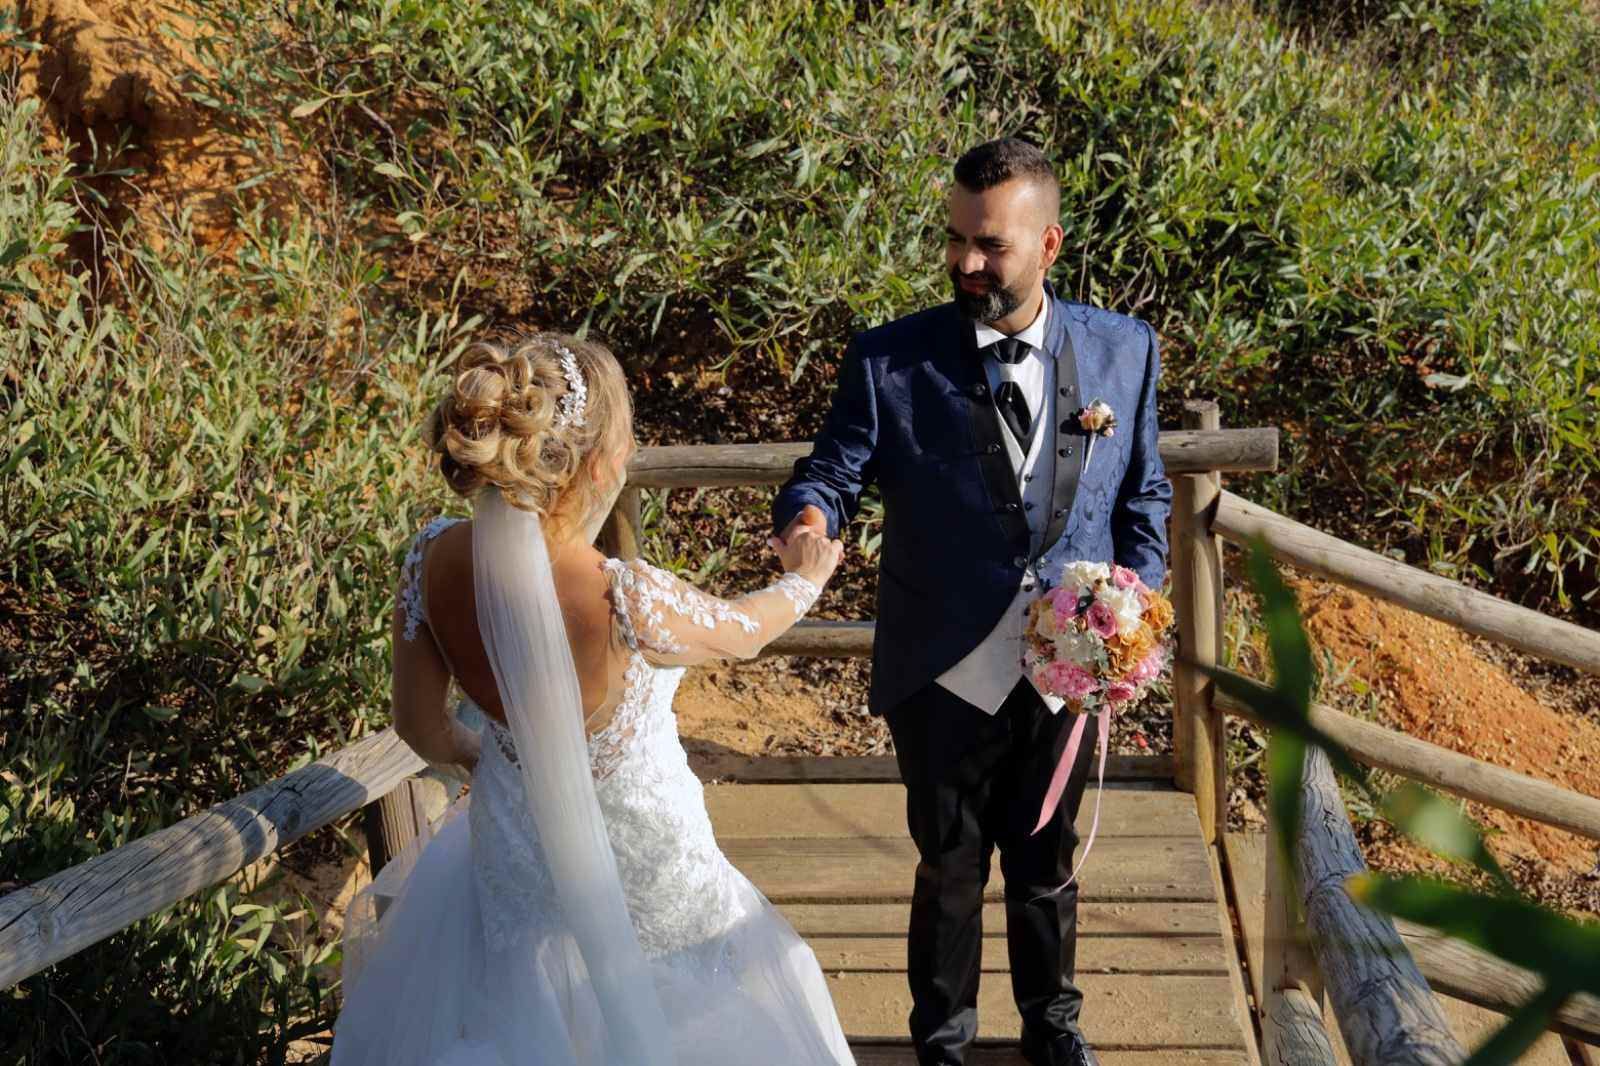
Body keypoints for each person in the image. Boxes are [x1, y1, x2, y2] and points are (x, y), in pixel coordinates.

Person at [332, 332, 854, 1065]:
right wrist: (806, 577)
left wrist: (480, 754)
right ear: (601, 462)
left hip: (517, 855)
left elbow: (418, 725)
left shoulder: (433, 557)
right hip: (651, 872)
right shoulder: (625, 595)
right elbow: (744, 631)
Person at [773, 137, 1172, 1066]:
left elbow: (1143, 494)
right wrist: (808, 516)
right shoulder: (889, 360)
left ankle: (1053, 1029)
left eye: (990, 245)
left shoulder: (1124, 350)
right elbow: (832, 472)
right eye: (955, 239)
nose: (965, 262)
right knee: (948, 869)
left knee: (1049, 861)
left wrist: (1133, 604)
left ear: (1050, 245)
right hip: (942, 663)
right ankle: (942, 1042)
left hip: (1068, 663)